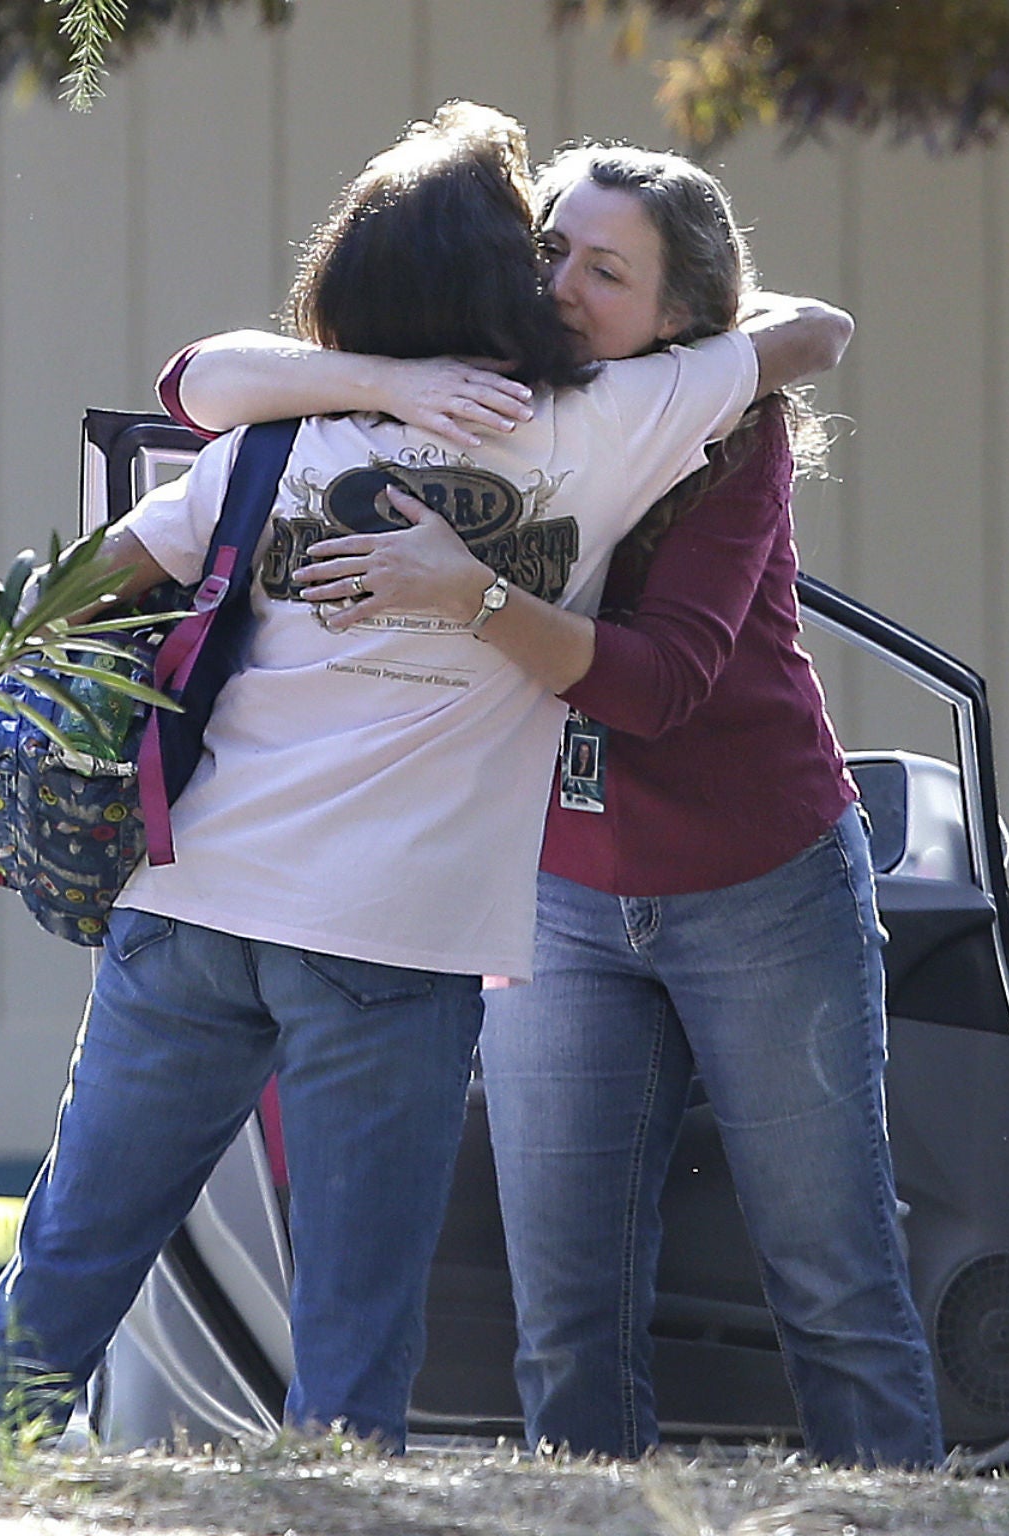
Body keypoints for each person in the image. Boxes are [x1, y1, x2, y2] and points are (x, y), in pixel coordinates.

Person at [0, 104, 809, 1450]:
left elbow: (72, 585)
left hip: (192, 904)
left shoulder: (271, 448)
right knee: (352, 1336)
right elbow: (807, 342)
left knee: (69, 1263)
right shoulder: (601, 429)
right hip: (387, 945)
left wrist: (364, 389)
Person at [167, 142, 942, 1467]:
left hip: (760, 885)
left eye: (607, 270)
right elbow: (196, 386)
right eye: (551, 252)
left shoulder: (721, 431)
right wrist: (387, 378)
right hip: (558, 896)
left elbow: (659, 688)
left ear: (680, 320)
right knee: (568, 1315)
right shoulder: (476, 390)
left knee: (834, 1280)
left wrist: (463, 589)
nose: (565, 288)